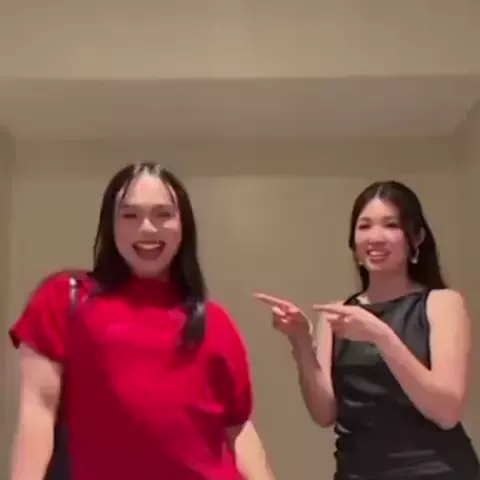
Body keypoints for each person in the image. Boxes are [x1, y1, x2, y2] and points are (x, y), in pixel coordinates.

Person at [9, 162, 275, 480]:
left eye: (163, 214)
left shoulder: (216, 322)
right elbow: (37, 412)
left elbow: (238, 429)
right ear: (111, 225)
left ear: (183, 226)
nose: (147, 228)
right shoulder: (63, 298)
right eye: (130, 215)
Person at [254, 180, 479, 479]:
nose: (375, 237)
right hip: (356, 471)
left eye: (391, 225)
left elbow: (447, 412)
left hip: (437, 471)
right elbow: (324, 414)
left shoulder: (442, 303)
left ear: (416, 237)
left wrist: (381, 335)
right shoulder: (337, 315)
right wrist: (300, 342)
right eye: (364, 226)